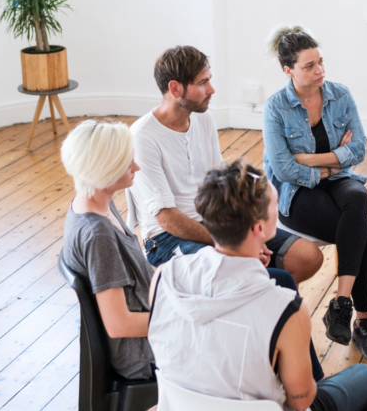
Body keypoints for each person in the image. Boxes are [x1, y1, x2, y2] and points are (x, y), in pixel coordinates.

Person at [148, 160, 367, 411]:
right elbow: (301, 400)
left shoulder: (164, 277)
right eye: (273, 205)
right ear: (259, 227)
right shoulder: (284, 308)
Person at [127, 45, 323, 288]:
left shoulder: (203, 117)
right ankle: (252, 298)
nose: (211, 89)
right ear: (175, 88)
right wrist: (237, 244)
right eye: (203, 82)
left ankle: (258, 301)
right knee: (237, 274)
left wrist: (245, 232)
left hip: (214, 222)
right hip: (167, 238)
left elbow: (219, 184)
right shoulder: (142, 137)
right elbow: (167, 219)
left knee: (307, 256)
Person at [262, 25, 367, 365]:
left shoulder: (339, 95)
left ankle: (341, 302)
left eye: (320, 62)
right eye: (309, 66)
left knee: (358, 199)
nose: (320, 70)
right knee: (357, 227)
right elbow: (284, 170)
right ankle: (363, 320)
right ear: (288, 70)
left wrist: (311, 160)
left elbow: (359, 148)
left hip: (338, 181)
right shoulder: (275, 107)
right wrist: (333, 162)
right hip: (295, 194)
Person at [59, 120, 153, 380]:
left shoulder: (96, 203)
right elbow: (119, 324)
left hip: (153, 314)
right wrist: (184, 321)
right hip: (145, 353)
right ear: (105, 170)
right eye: (128, 163)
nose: (137, 167)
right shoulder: (98, 235)